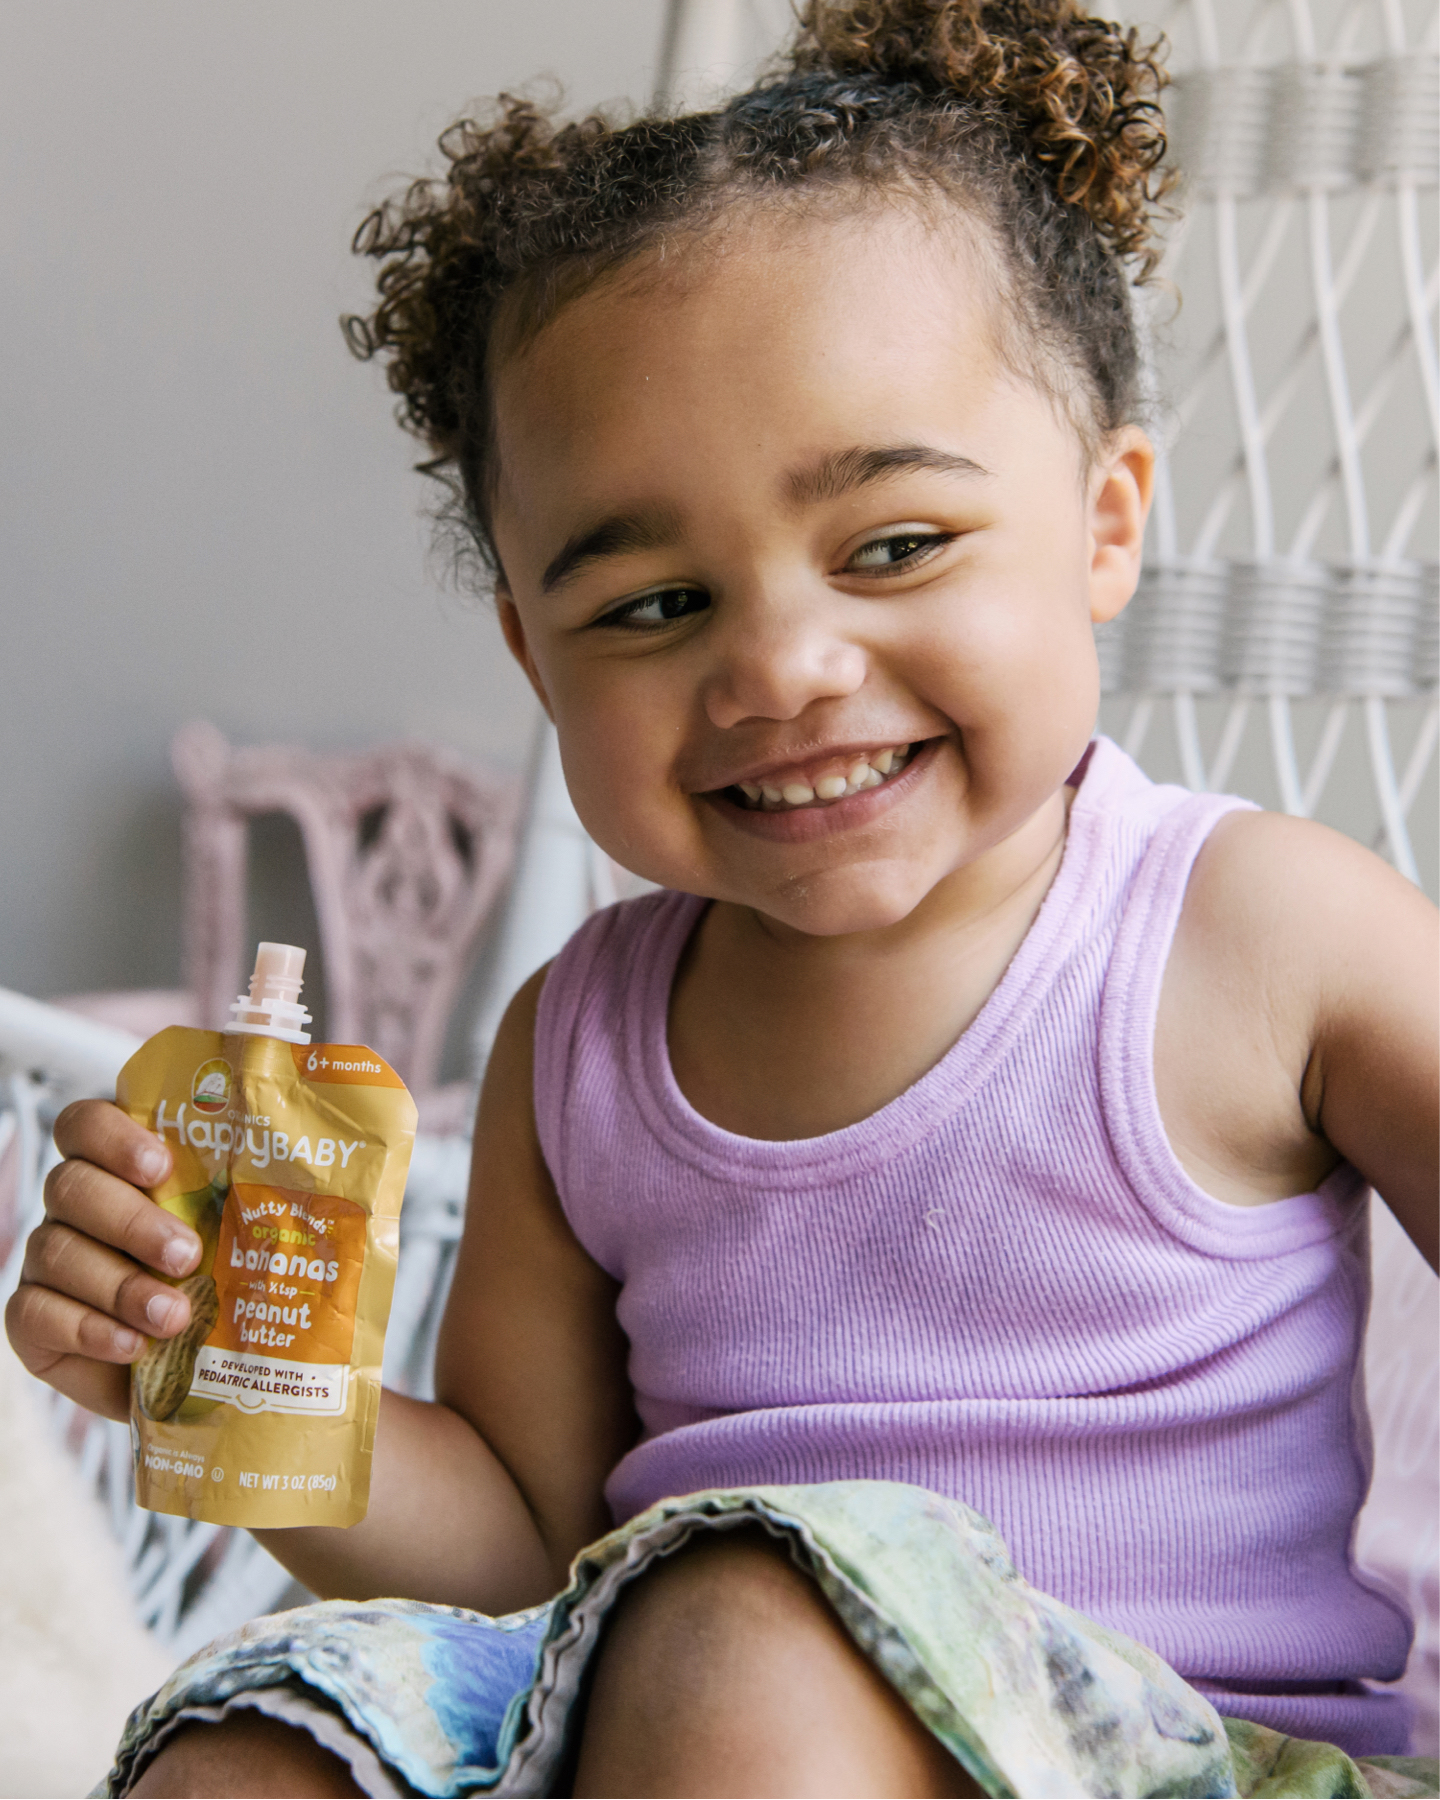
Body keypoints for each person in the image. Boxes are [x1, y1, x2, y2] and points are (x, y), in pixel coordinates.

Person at [8, 1, 1437, 1794]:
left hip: (1183, 1754)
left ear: (1104, 520)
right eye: (652, 604)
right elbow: (530, 1544)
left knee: (743, 1619)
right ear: (534, 652)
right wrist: (238, 1389)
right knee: (257, 1747)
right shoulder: (580, 1045)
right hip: (663, 1710)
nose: (779, 665)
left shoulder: (1260, 934)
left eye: (895, 546)